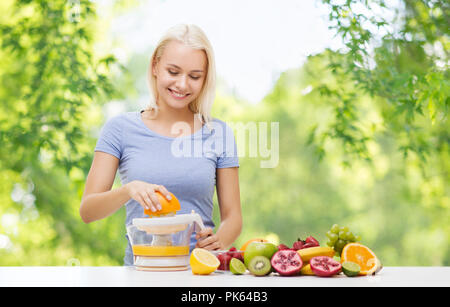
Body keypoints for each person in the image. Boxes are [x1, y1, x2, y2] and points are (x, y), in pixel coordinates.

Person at [79, 24, 242, 266]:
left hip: (201, 273)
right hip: (141, 272)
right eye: (173, 72)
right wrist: (128, 190)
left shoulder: (218, 133)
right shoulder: (120, 129)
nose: (183, 84)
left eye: (194, 76)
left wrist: (219, 241)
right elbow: (88, 211)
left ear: (205, 78)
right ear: (155, 66)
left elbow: (233, 217)